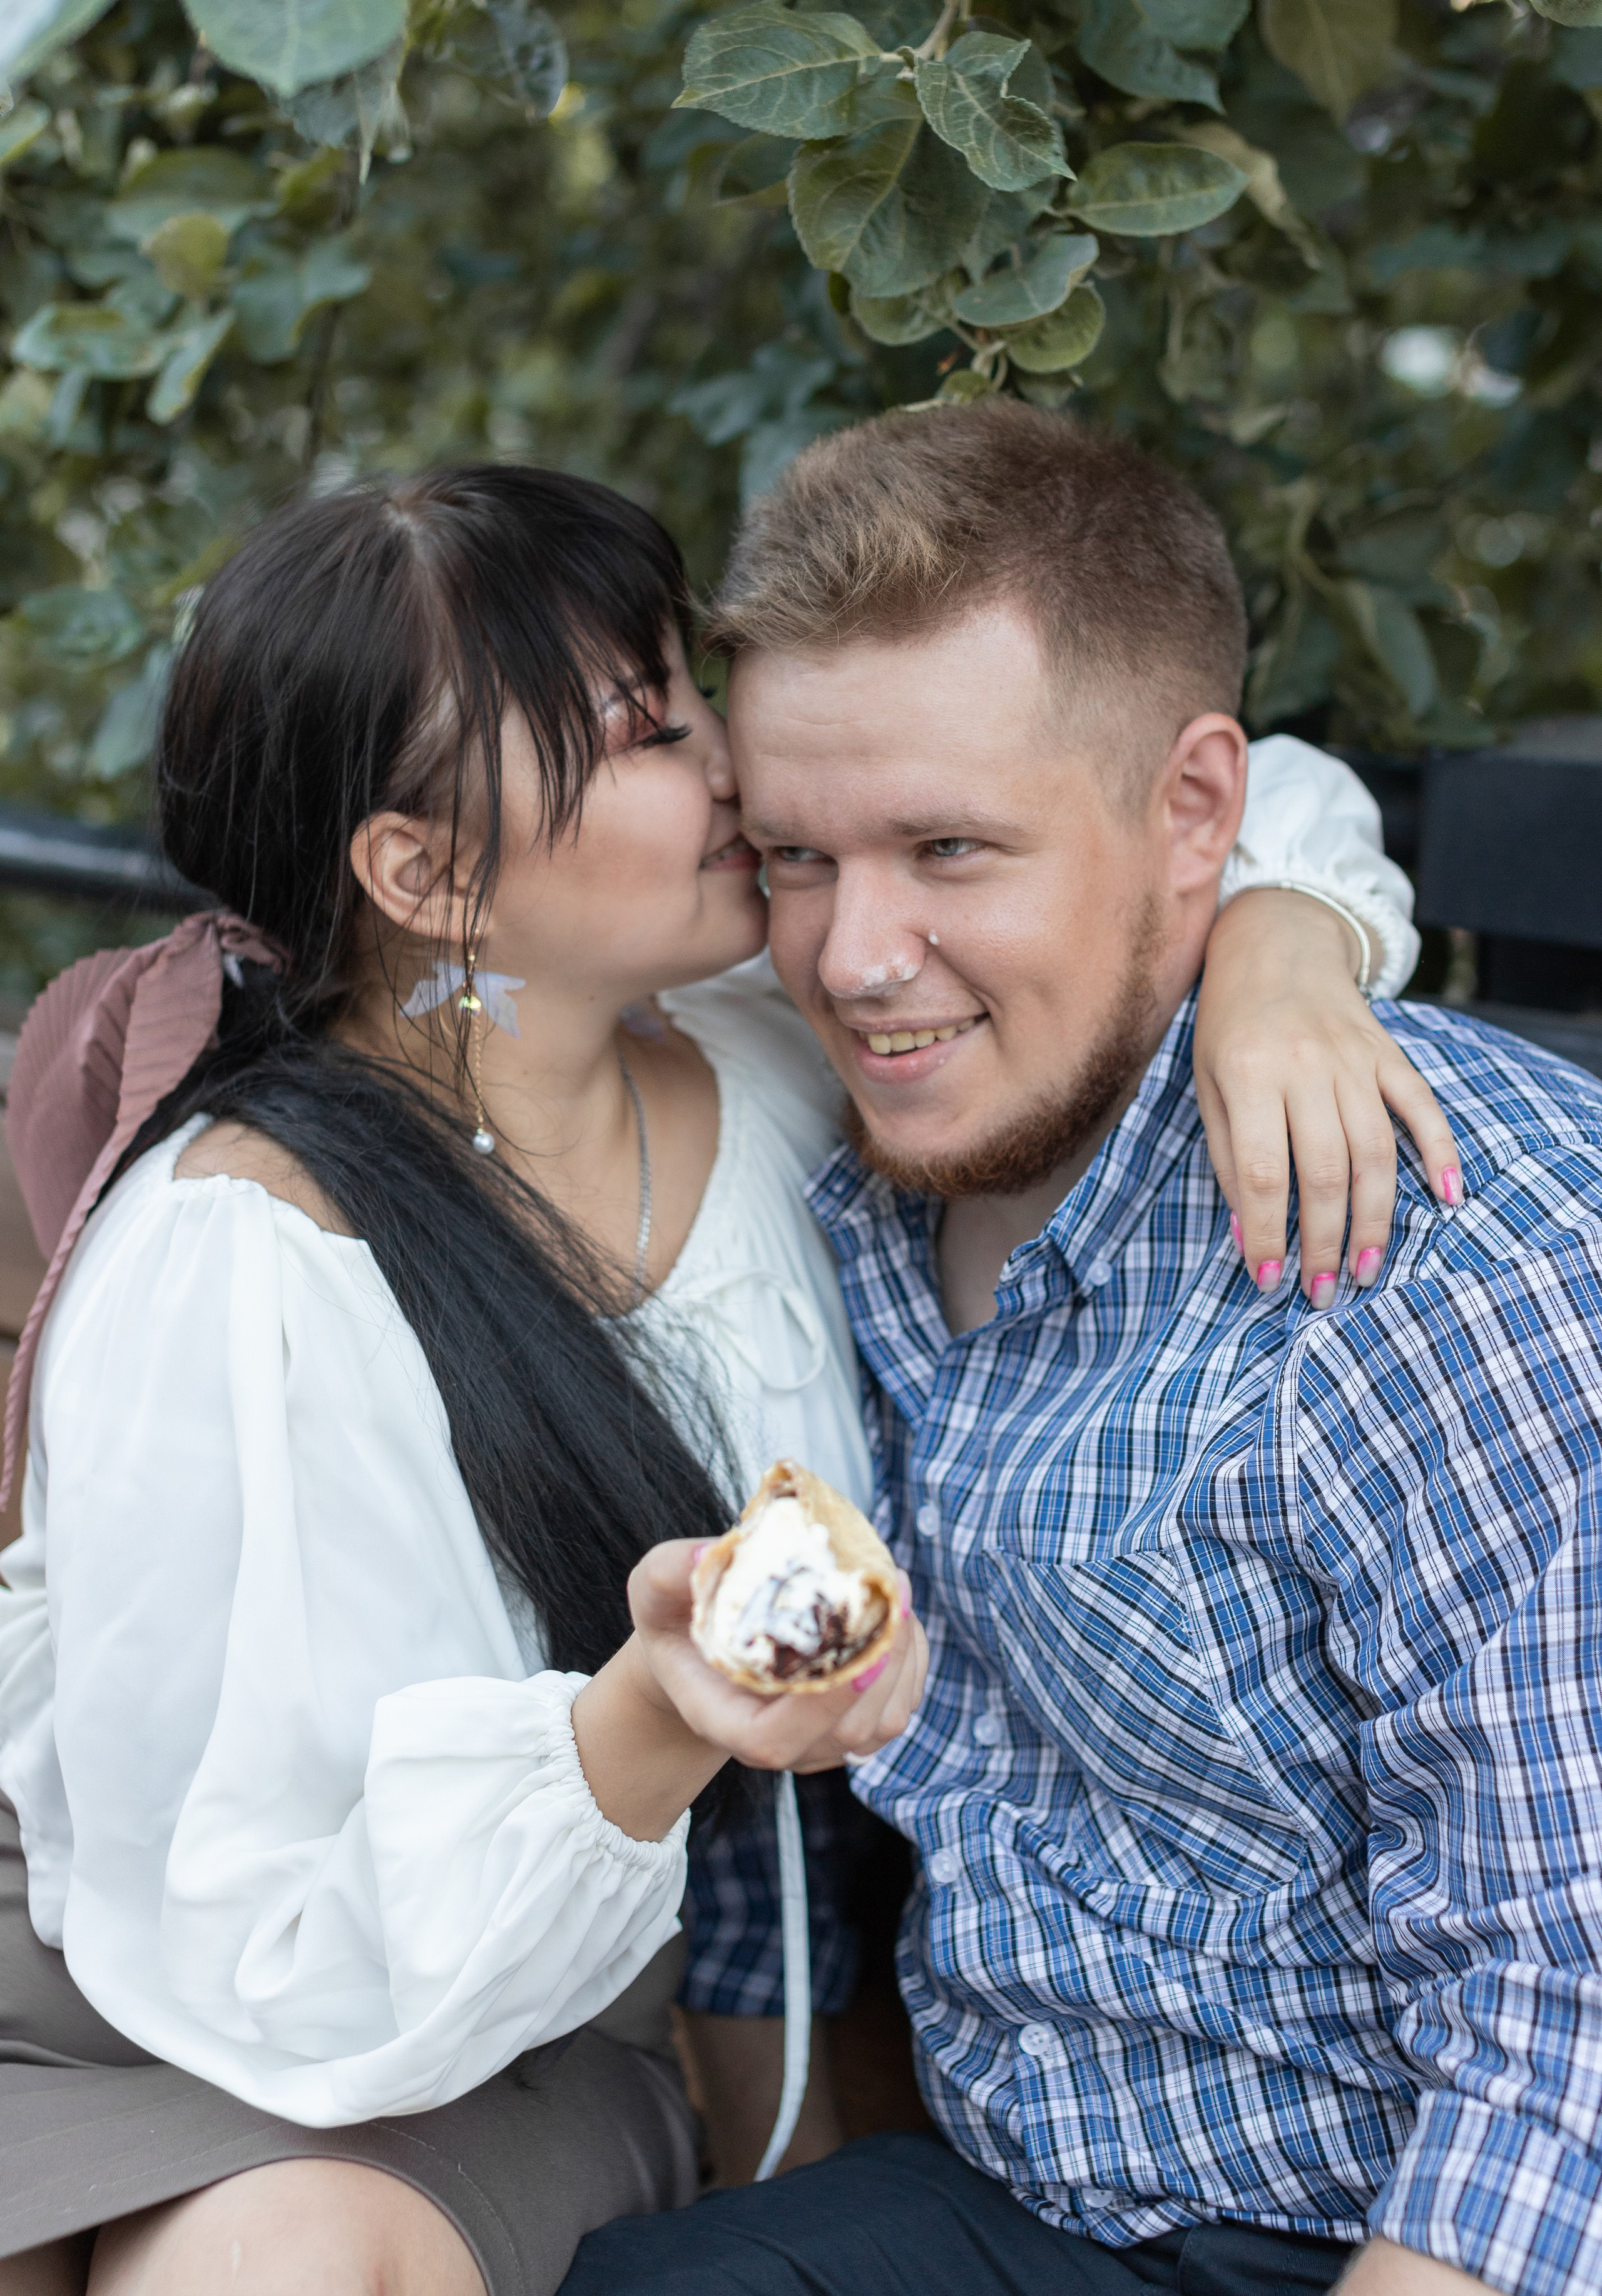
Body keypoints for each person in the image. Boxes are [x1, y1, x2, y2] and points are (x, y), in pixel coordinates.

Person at [0, 460, 1442, 2296]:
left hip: (492, 2019)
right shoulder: (249, 1258)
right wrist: (659, 1711)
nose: (736, 773)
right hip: (152, 1960)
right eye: (644, 728)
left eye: (683, 693)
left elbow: (1182, 771)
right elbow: (245, 1933)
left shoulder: (777, 1058)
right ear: (427, 872)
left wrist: (1284, 954)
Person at [561, 402, 1602, 2296]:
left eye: (950, 848)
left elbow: (1572, 2034)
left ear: (1199, 813)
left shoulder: (1442, 1251)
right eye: (795, 855)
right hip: (1039, 2200)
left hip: (1388, 2229)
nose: (857, 955)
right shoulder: (842, 1170)